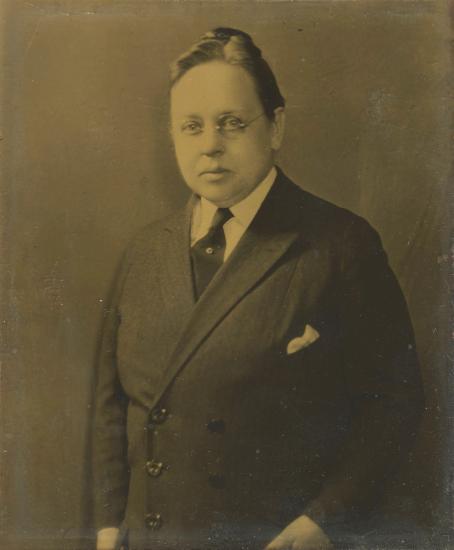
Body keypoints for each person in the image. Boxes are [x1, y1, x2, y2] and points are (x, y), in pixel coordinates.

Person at [92, 27, 424, 550]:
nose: (210, 147)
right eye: (191, 127)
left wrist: (326, 520)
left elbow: (394, 402)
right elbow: (111, 405)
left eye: (231, 123)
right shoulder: (144, 253)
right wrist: (110, 526)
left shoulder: (340, 244)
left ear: (275, 127)